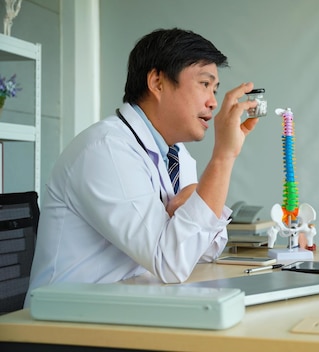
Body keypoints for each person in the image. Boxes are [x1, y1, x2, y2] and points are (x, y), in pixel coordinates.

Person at [25, 28, 260, 306]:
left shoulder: (177, 154)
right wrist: (224, 156)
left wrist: (193, 207)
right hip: (64, 326)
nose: (213, 101)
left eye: (215, 89)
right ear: (157, 82)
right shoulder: (106, 149)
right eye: (204, 84)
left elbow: (205, 249)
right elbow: (172, 261)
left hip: (129, 306)